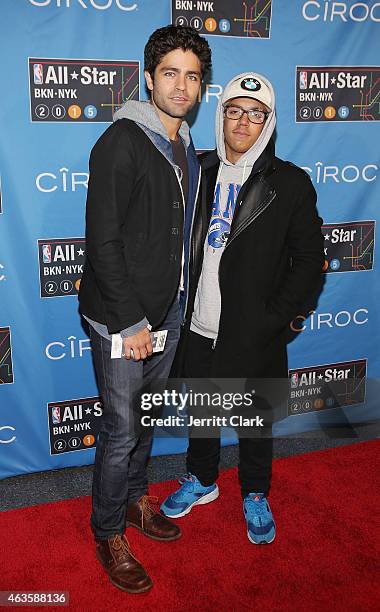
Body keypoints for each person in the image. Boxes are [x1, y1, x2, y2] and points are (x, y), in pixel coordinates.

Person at [161, 72, 324, 544]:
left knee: (255, 420)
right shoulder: (195, 170)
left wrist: (274, 320)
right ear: (220, 115)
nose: (243, 122)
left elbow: (311, 260)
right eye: (234, 110)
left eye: (256, 114)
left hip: (255, 330)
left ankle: (254, 491)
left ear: (268, 123)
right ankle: (202, 479)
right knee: (204, 413)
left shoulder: (289, 183)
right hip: (197, 324)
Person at [78, 25, 211, 593]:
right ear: (149, 78)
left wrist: (173, 310)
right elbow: (102, 241)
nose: (182, 86)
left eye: (193, 76)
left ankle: (134, 500)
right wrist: (131, 321)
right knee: (122, 427)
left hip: (168, 312)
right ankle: (108, 530)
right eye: (171, 73)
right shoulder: (122, 142)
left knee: (147, 418)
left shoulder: (184, 149)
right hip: (121, 316)